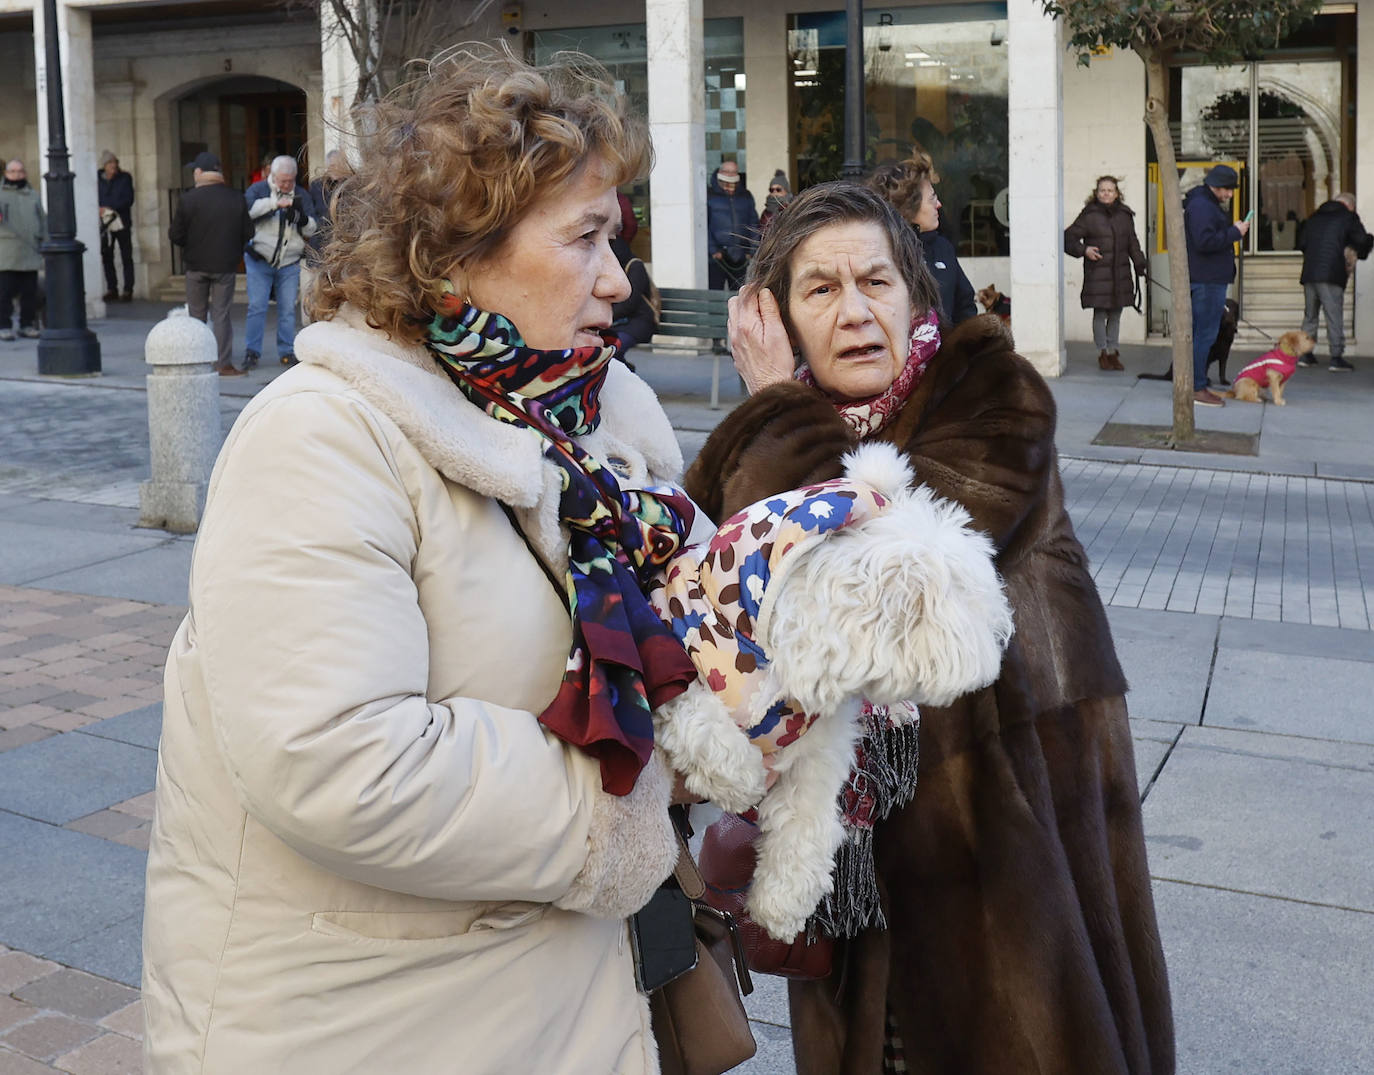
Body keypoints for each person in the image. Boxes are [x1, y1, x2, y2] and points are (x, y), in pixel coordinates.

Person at [141, 46, 706, 1073]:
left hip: (561, 1007)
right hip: (363, 1026)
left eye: (613, 239)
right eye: (585, 238)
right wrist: (624, 802)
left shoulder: (596, 425)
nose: (619, 279)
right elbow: (340, 760)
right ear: (452, 252)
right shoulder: (322, 434)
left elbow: (709, 616)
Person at [688, 181, 1174, 1075]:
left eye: (876, 281)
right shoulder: (786, 435)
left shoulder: (992, 400)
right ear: (782, 318)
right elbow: (725, 585)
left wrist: (767, 405)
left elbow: (856, 577)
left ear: (917, 294)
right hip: (858, 876)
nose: (855, 310)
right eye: (821, 289)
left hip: (1005, 855)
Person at [169, 151, 255, 376]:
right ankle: (223, 363)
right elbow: (249, 231)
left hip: (195, 265)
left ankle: (196, 360)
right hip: (225, 265)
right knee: (221, 315)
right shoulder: (235, 197)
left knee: (196, 315)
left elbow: (175, 235)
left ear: (199, 172)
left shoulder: (188, 199)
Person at [866, 151, 977, 325]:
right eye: (932, 198)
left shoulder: (943, 248)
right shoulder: (880, 253)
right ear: (909, 206)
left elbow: (965, 307)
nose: (939, 205)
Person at [1064, 175, 1148, 371]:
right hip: (1098, 275)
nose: (1106, 193)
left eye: (1110, 190)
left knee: (1116, 314)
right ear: (1097, 193)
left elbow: (1132, 243)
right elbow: (1068, 238)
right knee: (1100, 313)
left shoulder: (1125, 216)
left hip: (1120, 274)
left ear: (1117, 193)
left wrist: (1140, 263)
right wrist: (1084, 250)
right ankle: (1103, 352)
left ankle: (1113, 352)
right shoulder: (1089, 215)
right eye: (1102, 190)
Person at [1183, 164, 1250, 407]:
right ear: (1216, 185)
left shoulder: (1203, 203)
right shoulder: (1202, 206)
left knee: (1204, 333)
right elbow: (1204, 241)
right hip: (1207, 279)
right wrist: (1234, 232)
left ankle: (1195, 382)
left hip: (1208, 277)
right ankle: (1196, 387)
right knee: (1205, 334)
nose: (1231, 195)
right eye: (1229, 190)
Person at [243, 155, 317, 368]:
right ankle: (252, 352)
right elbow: (247, 212)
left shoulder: (301, 194)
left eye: (290, 181)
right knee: (257, 306)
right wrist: (274, 204)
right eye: (282, 180)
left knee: (287, 309)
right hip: (259, 258)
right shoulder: (257, 190)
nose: (286, 185)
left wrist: (302, 219)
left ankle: (287, 351)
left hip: (290, 261)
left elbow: (312, 227)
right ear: (272, 176)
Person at [1296, 192, 1372, 372]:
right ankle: (1336, 357)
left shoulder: (1313, 217)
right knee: (1334, 315)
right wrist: (1369, 242)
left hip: (1309, 273)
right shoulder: (1348, 217)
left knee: (1310, 315)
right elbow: (1361, 240)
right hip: (1331, 274)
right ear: (1350, 205)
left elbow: (1302, 243)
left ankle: (1306, 354)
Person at [0, 159, 45, 341]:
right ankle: (3, 325)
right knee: (4, 293)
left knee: (30, 292)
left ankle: (27, 324)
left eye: (20, 171)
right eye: (12, 171)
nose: (16, 175)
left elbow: (42, 220)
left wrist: (45, 242)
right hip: (6, 252)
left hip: (29, 251)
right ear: (6, 174)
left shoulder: (33, 195)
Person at [707, 159, 758, 290]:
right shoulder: (709, 195)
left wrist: (751, 250)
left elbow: (753, 223)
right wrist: (713, 250)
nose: (730, 175)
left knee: (739, 296)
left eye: (733, 172)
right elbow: (704, 226)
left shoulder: (746, 195)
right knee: (715, 295)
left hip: (740, 255)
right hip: (717, 257)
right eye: (726, 171)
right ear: (720, 172)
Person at [610, 231, 656, 364]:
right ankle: (625, 371)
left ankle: (625, 373)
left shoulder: (635, 267)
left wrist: (609, 317)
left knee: (613, 348)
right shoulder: (611, 269)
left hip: (638, 321)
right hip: (616, 323)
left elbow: (630, 302)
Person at [98, 150, 135, 302]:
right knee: (107, 255)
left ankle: (128, 289)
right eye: (110, 163)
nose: (113, 165)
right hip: (105, 222)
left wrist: (110, 208)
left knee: (126, 255)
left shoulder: (125, 178)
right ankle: (111, 288)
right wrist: (100, 209)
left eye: (115, 162)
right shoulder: (97, 179)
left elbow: (128, 199)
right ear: (105, 165)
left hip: (121, 221)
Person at [759, 170, 792, 235]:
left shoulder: (792, 208)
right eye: (771, 190)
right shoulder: (766, 211)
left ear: (786, 191)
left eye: (778, 189)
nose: (774, 192)